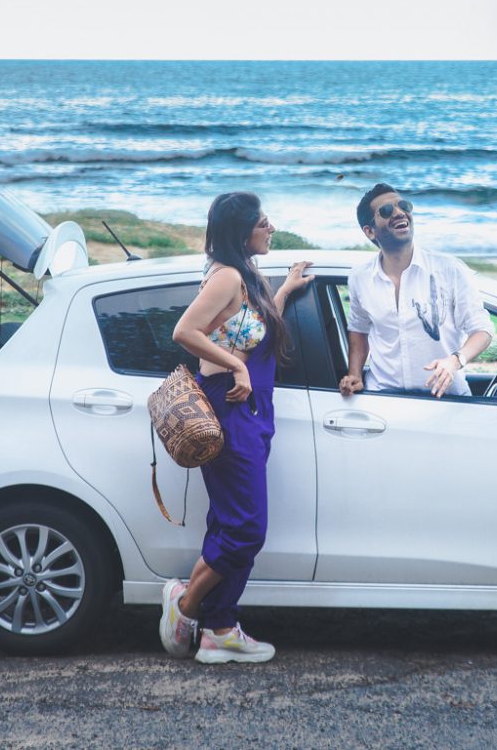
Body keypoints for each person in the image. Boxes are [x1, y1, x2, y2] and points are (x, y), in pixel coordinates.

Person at [160, 192, 311, 664]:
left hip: (253, 413)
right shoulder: (225, 276)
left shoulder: (246, 274)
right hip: (231, 407)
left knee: (228, 522)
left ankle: (220, 628)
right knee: (246, 529)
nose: (271, 227)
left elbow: (254, 330)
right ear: (241, 229)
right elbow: (185, 332)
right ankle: (185, 605)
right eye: (262, 221)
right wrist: (237, 368)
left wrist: (284, 290)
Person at [339, 183, 493, 398]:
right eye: (386, 211)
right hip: (383, 400)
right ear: (369, 231)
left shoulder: (450, 269)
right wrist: (354, 373)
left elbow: (482, 330)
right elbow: (359, 329)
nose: (400, 213)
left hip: (447, 401)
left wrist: (454, 361)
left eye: (403, 206)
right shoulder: (360, 278)